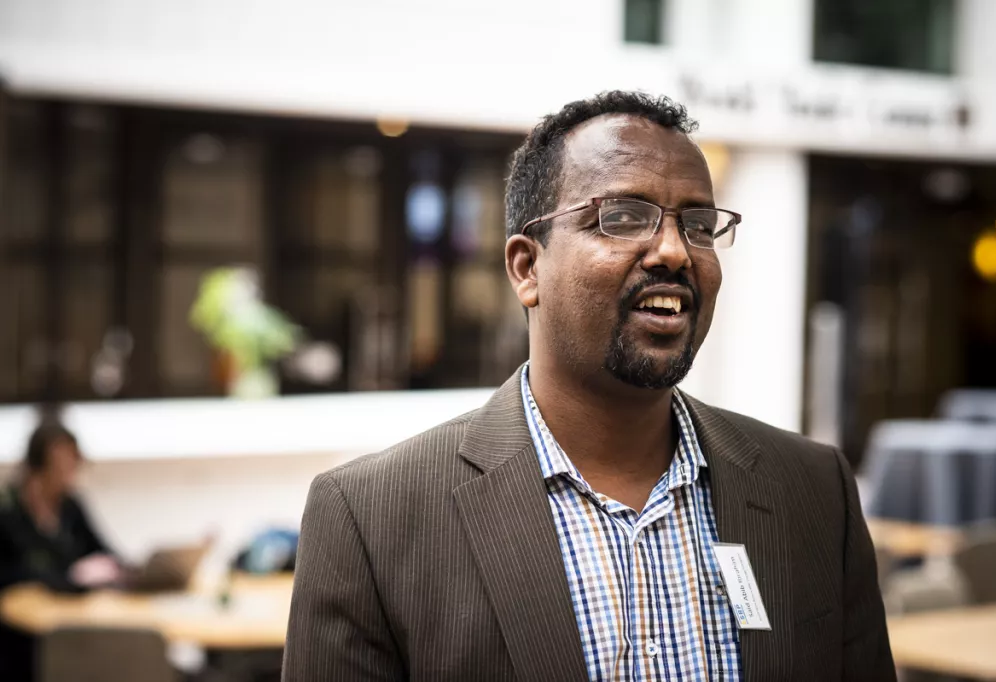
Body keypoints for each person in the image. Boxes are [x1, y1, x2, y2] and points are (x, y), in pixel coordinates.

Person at [283, 91, 896, 682]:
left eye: (699, 225)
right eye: (624, 217)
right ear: (528, 268)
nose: (674, 251)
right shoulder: (371, 518)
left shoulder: (815, 492)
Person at [0, 418, 123, 681]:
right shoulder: (8, 512)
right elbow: (9, 575)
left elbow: (106, 552)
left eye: (73, 465)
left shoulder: (71, 507)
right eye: (62, 465)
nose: (70, 473)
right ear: (37, 467)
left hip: (75, 623)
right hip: (20, 637)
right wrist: (69, 578)